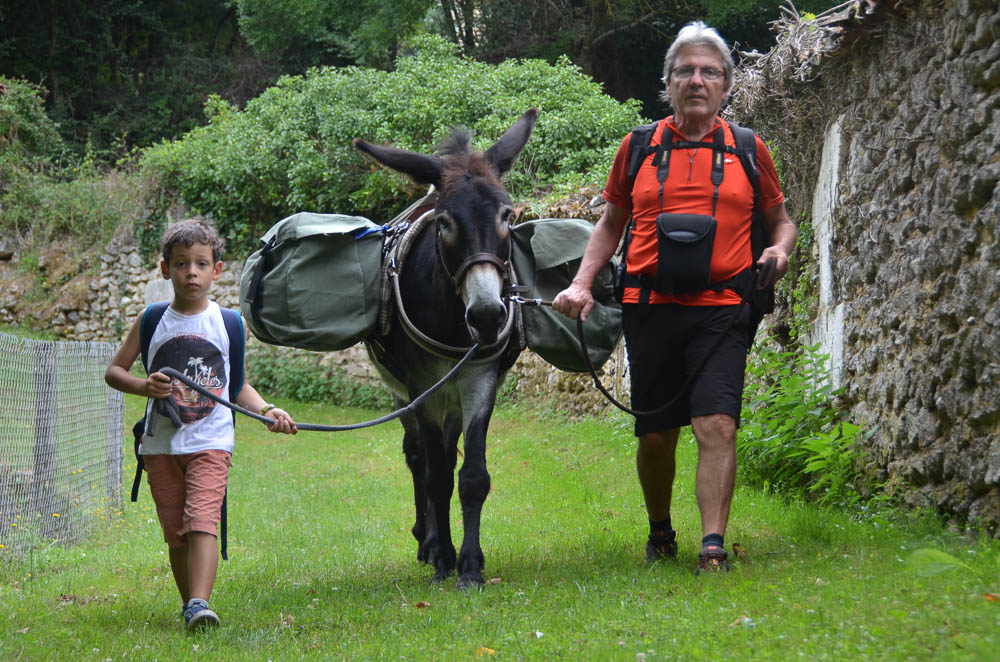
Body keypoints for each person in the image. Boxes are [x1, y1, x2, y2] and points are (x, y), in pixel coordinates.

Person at [553, 21, 797, 574]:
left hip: (723, 311)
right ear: (667, 82)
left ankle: (713, 545)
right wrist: (581, 283)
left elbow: (782, 223)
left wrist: (778, 253)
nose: (697, 80)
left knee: (718, 425)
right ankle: (660, 529)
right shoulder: (638, 146)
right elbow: (610, 222)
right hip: (651, 310)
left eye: (709, 71)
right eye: (685, 70)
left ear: (726, 86)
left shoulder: (749, 149)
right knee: (658, 433)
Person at [105, 218, 298, 630]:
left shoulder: (228, 323)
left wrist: (267, 411)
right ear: (164, 269)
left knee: (202, 521)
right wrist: (144, 385)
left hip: (211, 441)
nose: (191, 273)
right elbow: (115, 371)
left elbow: (237, 384)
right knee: (175, 531)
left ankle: (199, 602)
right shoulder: (152, 320)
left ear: (217, 269)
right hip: (160, 445)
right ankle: (190, 606)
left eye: (200, 264)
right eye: (180, 264)